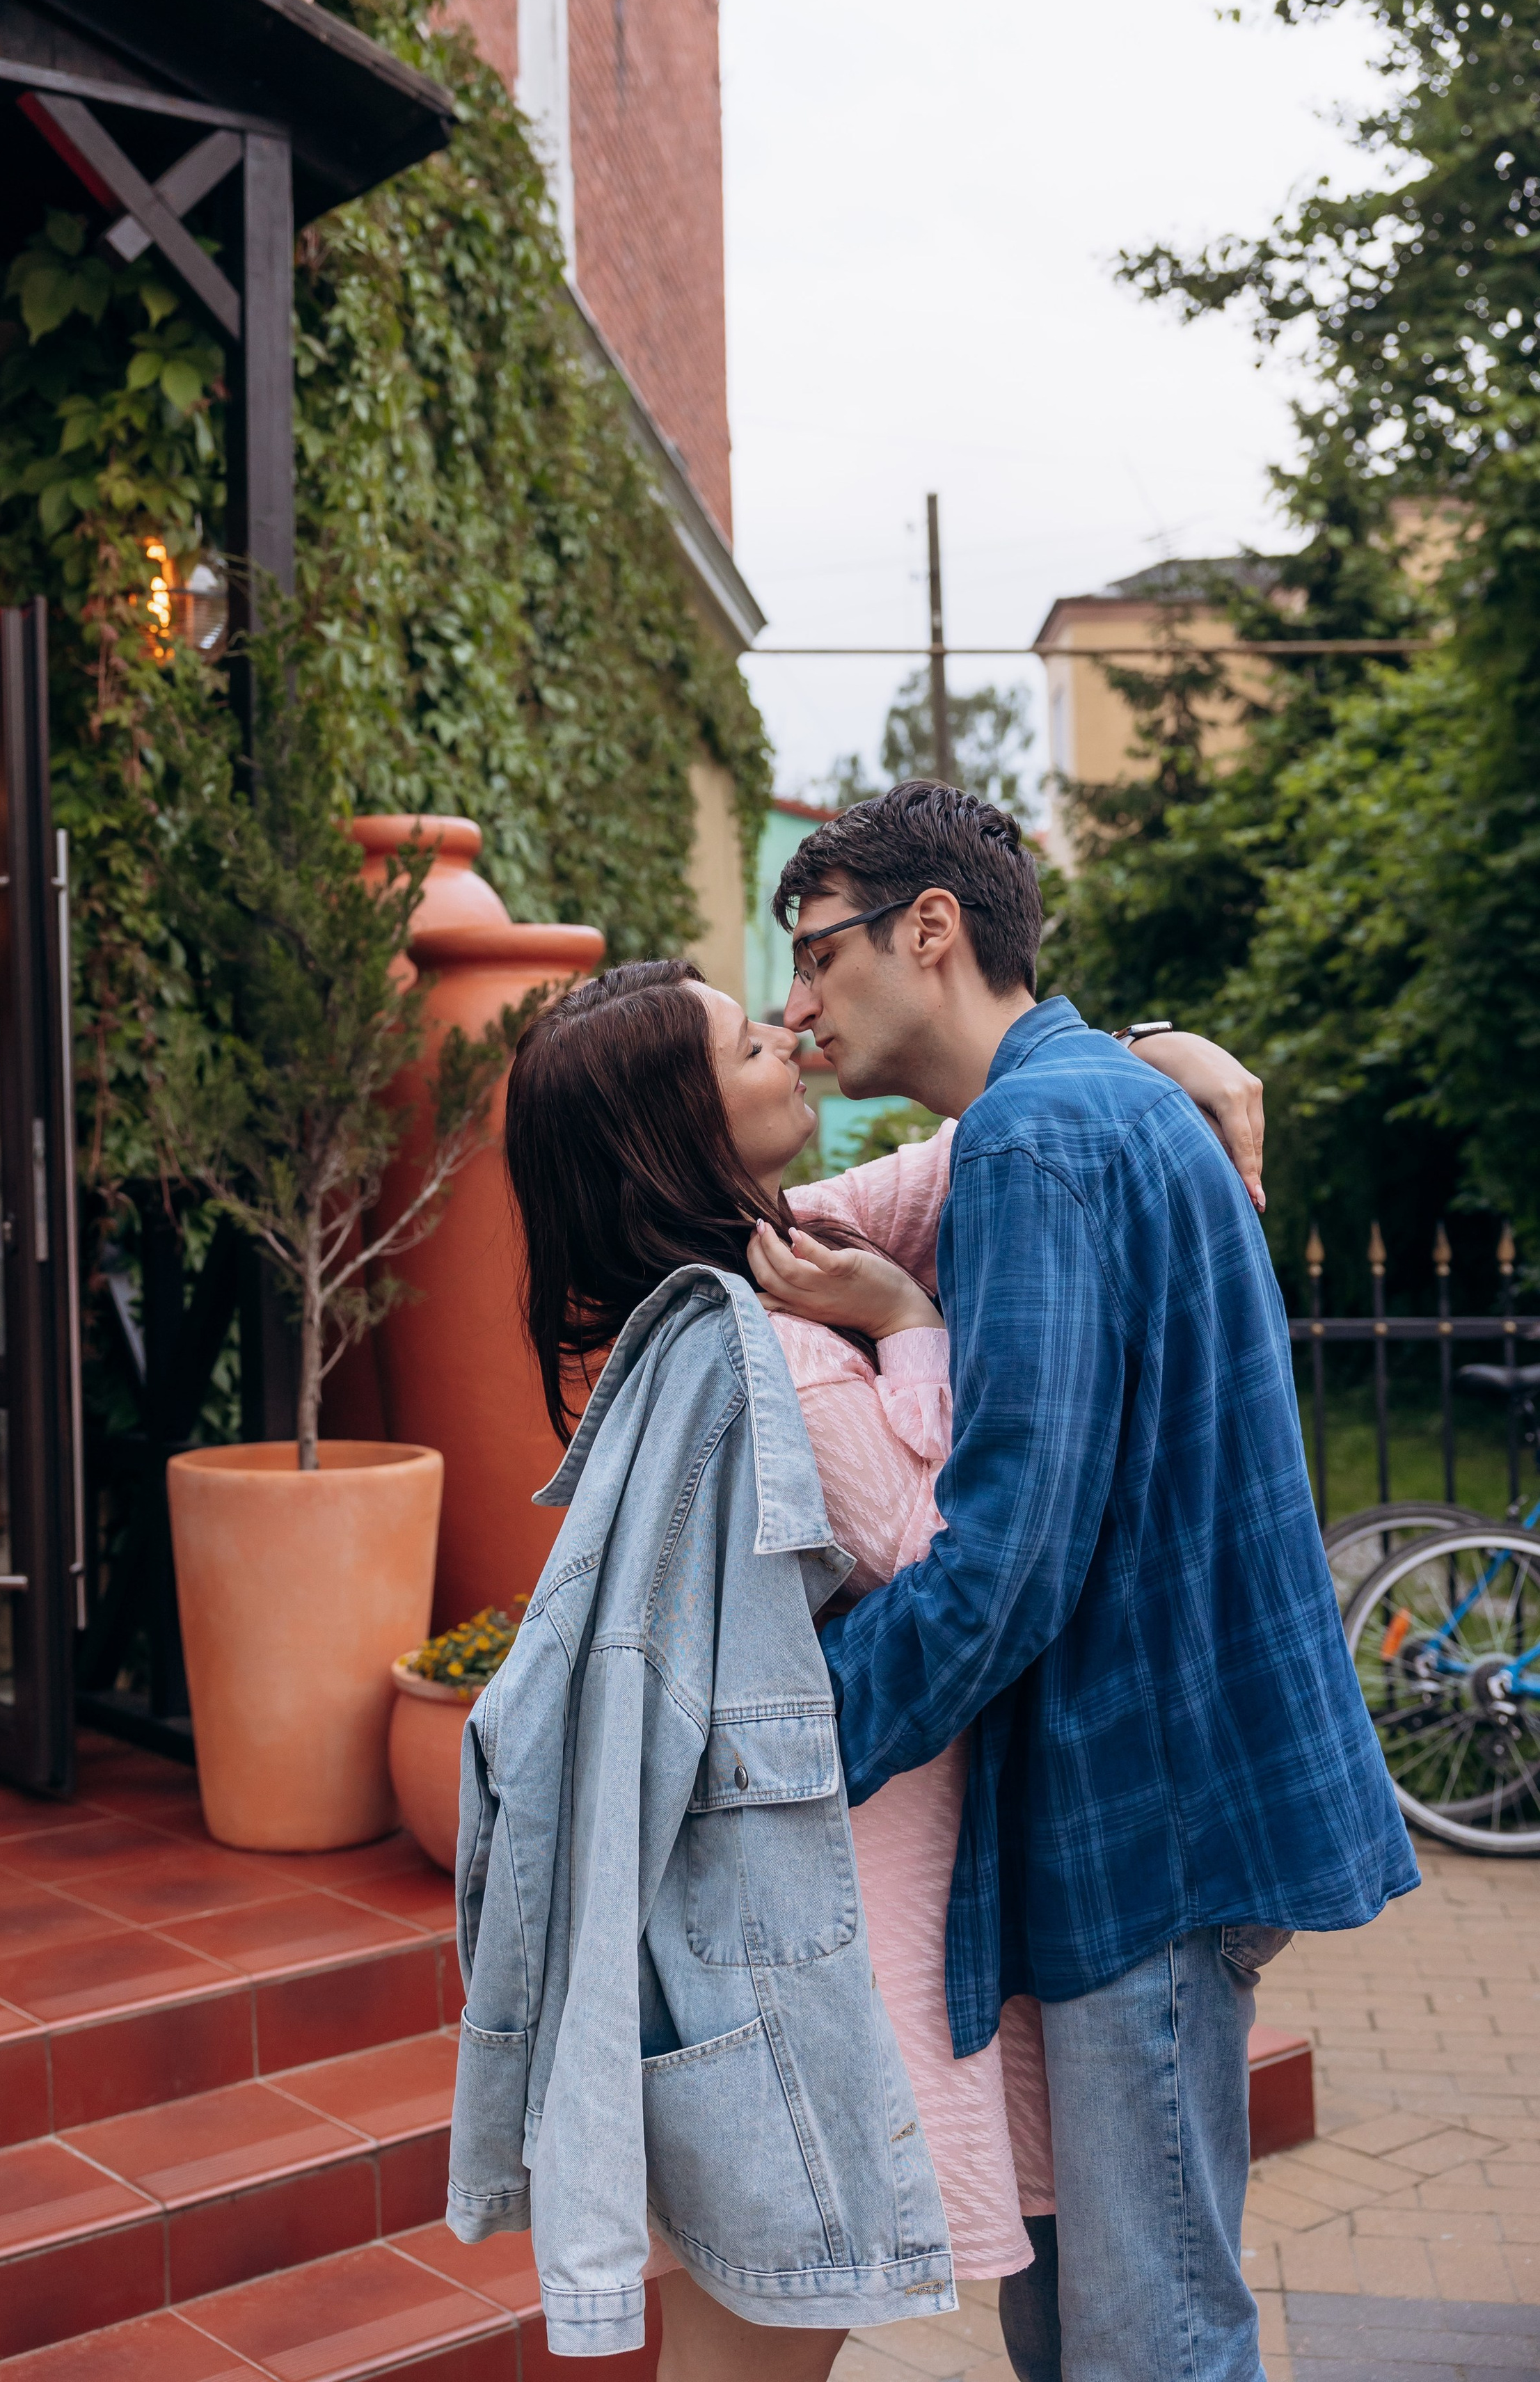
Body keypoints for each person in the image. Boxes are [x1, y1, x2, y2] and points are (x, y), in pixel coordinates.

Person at [500, 951, 1268, 2382]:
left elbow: (970, 1138)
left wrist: (1156, 1049)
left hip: (808, 1905)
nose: (788, 1039)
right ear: (672, 1126)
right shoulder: (776, 1349)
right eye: (746, 1046)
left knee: (773, 2321)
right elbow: (951, 1568)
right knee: (762, 2342)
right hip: (817, 1934)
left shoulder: (743, 1269)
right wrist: (911, 1332)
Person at [759, 781, 1418, 2382]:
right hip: (1143, 1816)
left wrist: (781, 1739)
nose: (793, 1003)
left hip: (1152, 1823)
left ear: (929, 931)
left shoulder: (1041, 1138)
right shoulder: (1065, 1111)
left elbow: (1002, 1566)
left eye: (814, 952)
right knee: (1089, 2332)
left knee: (1145, 2344)